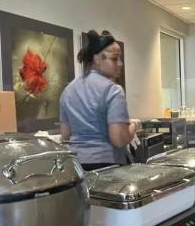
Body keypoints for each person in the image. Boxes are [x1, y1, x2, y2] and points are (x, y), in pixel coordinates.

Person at [59, 30, 138, 171]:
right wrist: (133, 126)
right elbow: (119, 139)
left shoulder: (68, 90)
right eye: (114, 59)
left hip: (76, 167)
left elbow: (65, 135)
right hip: (108, 166)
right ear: (97, 59)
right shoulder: (112, 90)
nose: (120, 64)